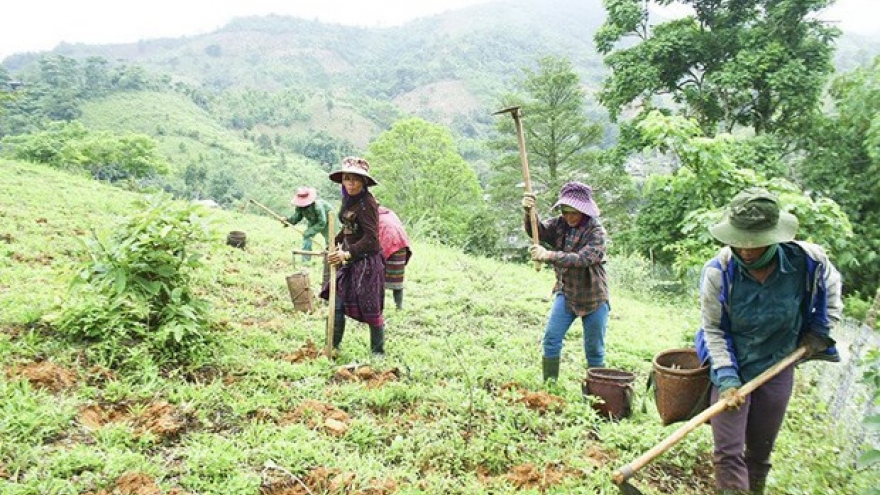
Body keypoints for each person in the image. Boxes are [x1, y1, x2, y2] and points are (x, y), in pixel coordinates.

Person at [695, 187, 842, 495]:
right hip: (732, 362)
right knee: (728, 450)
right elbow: (714, 330)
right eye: (739, 241)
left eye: (756, 243)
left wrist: (820, 332)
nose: (746, 249)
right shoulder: (719, 272)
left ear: (775, 236)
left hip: (779, 363)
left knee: (759, 452)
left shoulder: (808, 262)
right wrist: (727, 379)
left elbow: (831, 298)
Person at [521, 181, 610, 382]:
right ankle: (550, 387)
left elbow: (584, 258)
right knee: (551, 339)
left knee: (594, 349)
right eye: (565, 211)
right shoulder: (560, 224)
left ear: (584, 211)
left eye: (574, 212)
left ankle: (596, 393)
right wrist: (529, 212)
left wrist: (549, 255)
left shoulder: (596, 232)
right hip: (567, 293)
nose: (569, 216)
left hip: (594, 297)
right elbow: (539, 231)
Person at [321, 157, 386, 356]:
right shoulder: (348, 199)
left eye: (356, 179)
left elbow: (372, 240)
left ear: (364, 182)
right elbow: (349, 228)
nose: (351, 183)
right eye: (347, 179)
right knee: (338, 301)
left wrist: (346, 254)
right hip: (348, 260)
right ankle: (333, 347)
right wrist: (334, 242)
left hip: (366, 264)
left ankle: (378, 353)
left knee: (371, 309)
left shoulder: (367, 204)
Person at [284, 186, 333, 264]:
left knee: (331, 239)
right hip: (313, 221)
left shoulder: (318, 207)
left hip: (327, 220)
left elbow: (322, 222)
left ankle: (329, 260)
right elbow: (297, 216)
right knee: (307, 237)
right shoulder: (299, 207)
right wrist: (288, 221)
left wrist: (309, 231)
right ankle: (306, 261)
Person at [377, 205, 412, 310]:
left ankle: (379, 308)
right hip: (401, 244)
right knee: (397, 279)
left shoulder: (374, 216)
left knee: (378, 279)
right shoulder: (390, 213)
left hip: (390, 244)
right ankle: (398, 307)